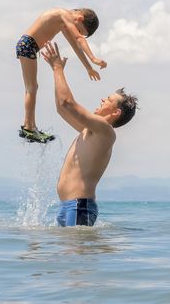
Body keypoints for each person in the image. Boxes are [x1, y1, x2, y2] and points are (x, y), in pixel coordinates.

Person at [41, 41, 138, 227]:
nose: (103, 99)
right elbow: (62, 109)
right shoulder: (91, 131)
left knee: (76, 255)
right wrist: (56, 71)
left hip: (79, 206)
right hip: (69, 206)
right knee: (71, 256)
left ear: (115, 112)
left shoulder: (105, 131)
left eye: (108, 100)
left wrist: (57, 68)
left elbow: (67, 103)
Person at [16, 8, 108, 143]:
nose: (78, 32)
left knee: (32, 87)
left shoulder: (63, 22)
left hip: (28, 46)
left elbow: (76, 45)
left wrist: (88, 68)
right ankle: (29, 127)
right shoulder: (63, 14)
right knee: (32, 87)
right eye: (80, 30)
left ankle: (30, 127)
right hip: (27, 45)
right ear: (80, 19)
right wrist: (93, 58)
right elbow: (78, 38)